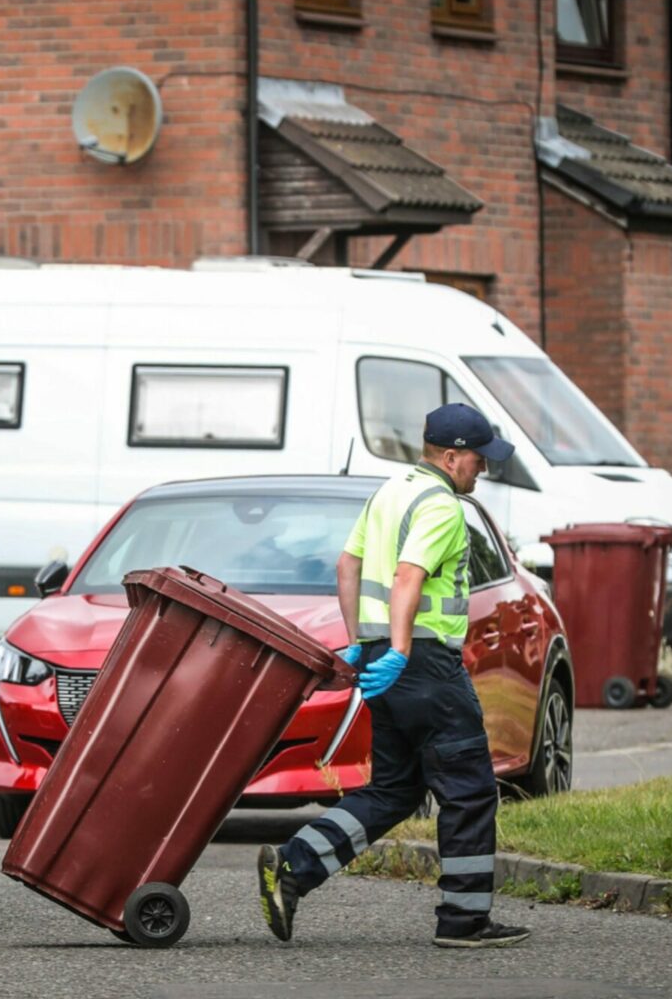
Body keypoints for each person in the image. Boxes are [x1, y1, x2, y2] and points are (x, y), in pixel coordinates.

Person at [257, 403, 530, 950]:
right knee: (470, 790)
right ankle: (464, 920)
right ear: (450, 457)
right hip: (423, 664)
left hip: (386, 663)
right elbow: (408, 577)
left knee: (395, 789)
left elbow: (347, 566)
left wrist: (363, 641)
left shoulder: (390, 492)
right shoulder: (442, 507)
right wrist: (402, 650)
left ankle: (294, 865)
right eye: (478, 458)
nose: (483, 468)